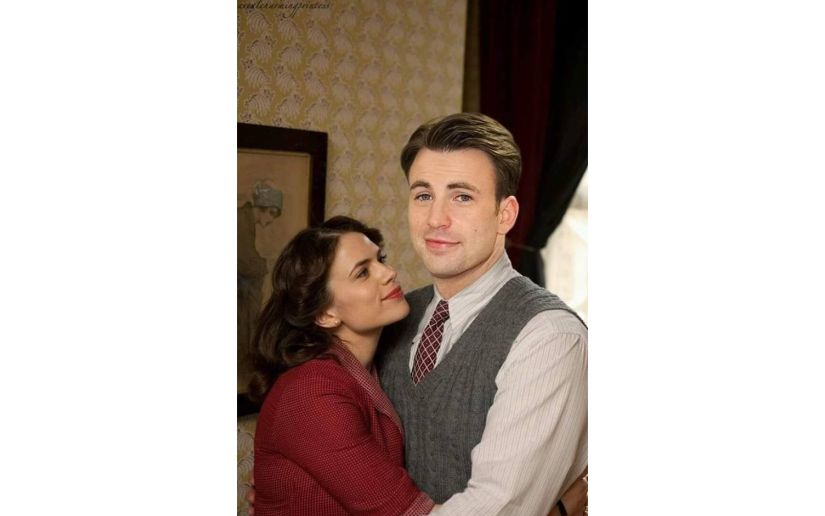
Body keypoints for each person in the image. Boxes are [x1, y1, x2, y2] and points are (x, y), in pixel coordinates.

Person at [376, 112, 588, 515]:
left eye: (462, 197)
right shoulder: (393, 315)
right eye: (423, 195)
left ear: (505, 215)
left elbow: (495, 507)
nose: (435, 219)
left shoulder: (550, 338)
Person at [247, 216, 437, 515]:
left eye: (380, 259)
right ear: (325, 315)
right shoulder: (311, 390)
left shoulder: (364, 368)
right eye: (362, 273)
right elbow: (402, 509)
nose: (389, 272)